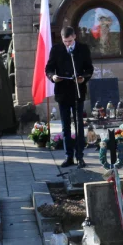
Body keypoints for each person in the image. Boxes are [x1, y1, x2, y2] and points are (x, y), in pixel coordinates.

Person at [45, 26, 94, 168]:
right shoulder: (56, 49)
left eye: (70, 41)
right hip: (62, 92)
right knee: (65, 127)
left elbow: (89, 69)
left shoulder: (83, 49)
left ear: (74, 37)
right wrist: (53, 77)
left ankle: (80, 157)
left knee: (78, 126)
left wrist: (83, 78)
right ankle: (69, 156)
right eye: (65, 41)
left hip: (77, 92)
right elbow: (48, 69)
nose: (67, 44)